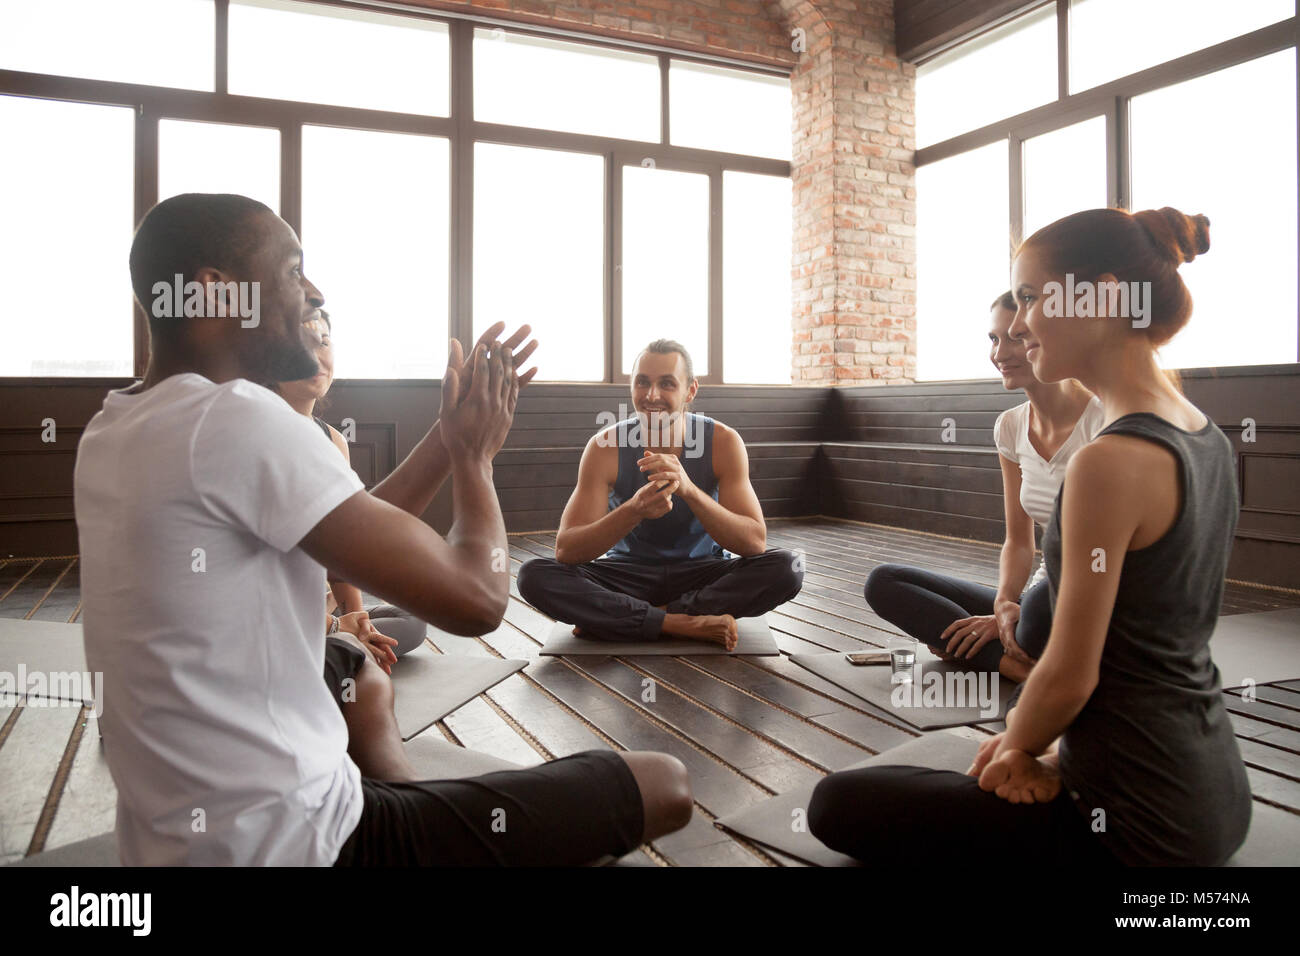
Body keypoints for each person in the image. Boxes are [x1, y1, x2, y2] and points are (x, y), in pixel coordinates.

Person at [74, 192, 693, 866]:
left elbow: (351, 535)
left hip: (171, 848)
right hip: (304, 846)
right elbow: (478, 602)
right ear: (214, 293)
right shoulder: (235, 419)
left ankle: (409, 805)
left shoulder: (116, 427)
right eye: (291, 270)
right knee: (664, 783)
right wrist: (475, 459)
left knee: (352, 665)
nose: (311, 291)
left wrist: (445, 436)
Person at [808, 206, 1251, 866]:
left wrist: (1014, 748)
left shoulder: (1109, 458)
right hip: (1214, 796)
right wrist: (1039, 747)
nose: (1017, 326)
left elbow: (1071, 675)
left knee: (835, 804)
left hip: (1133, 823)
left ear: (1098, 296)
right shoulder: (1204, 434)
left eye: (1029, 299)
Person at [864, 292, 1104, 682]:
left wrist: (1022, 611)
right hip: (1042, 594)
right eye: (994, 339)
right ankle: (1016, 665)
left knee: (1031, 618)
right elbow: (1020, 542)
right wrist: (1006, 602)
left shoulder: (1103, 422)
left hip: (1092, 600)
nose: (1001, 353)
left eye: (1015, 338)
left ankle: (1004, 655)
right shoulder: (1010, 427)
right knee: (885, 582)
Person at [515, 339, 804, 650]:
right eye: (643, 382)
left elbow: (753, 542)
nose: (652, 395)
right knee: (533, 575)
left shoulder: (724, 442)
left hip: (702, 574)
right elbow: (567, 550)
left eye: (666, 383)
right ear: (631, 386)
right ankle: (680, 623)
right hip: (628, 576)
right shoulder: (604, 447)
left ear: (690, 390)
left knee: (788, 567)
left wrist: (690, 490)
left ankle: (641, 620)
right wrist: (634, 509)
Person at [275, 309, 426, 670]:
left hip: (317, 605)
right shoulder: (260, 435)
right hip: (274, 611)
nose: (315, 356)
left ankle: (343, 646)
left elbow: (342, 552)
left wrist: (357, 622)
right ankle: (335, 646)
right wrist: (334, 622)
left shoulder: (334, 441)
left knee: (411, 621)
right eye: (299, 345)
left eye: (323, 342)